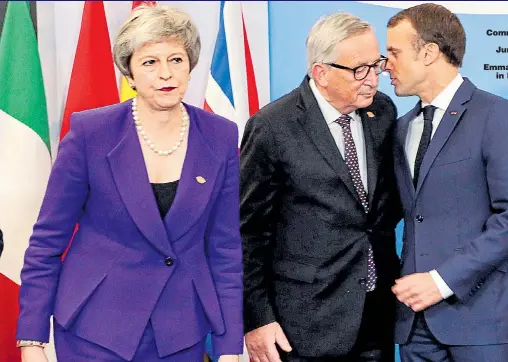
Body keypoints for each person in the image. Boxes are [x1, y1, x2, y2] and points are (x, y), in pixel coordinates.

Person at [16, 5, 243, 362]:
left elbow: (225, 249)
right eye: (150, 62)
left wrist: (230, 347)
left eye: (176, 59)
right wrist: (31, 340)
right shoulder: (92, 133)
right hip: (96, 328)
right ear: (130, 72)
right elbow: (47, 242)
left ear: (190, 65)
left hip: (180, 333)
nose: (165, 73)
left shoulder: (220, 135)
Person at [240, 12, 401, 362]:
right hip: (303, 325)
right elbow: (248, 232)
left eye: (377, 65)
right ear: (321, 73)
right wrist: (257, 319)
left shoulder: (382, 112)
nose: (373, 79)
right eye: (359, 69)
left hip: (376, 317)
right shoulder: (272, 127)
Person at [385, 3, 508, 361]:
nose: (385, 65)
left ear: (429, 52)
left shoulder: (496, 114)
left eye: (394, 53)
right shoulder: (402, 126)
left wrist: (440, 281)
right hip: (415, 327)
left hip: (485, 324)